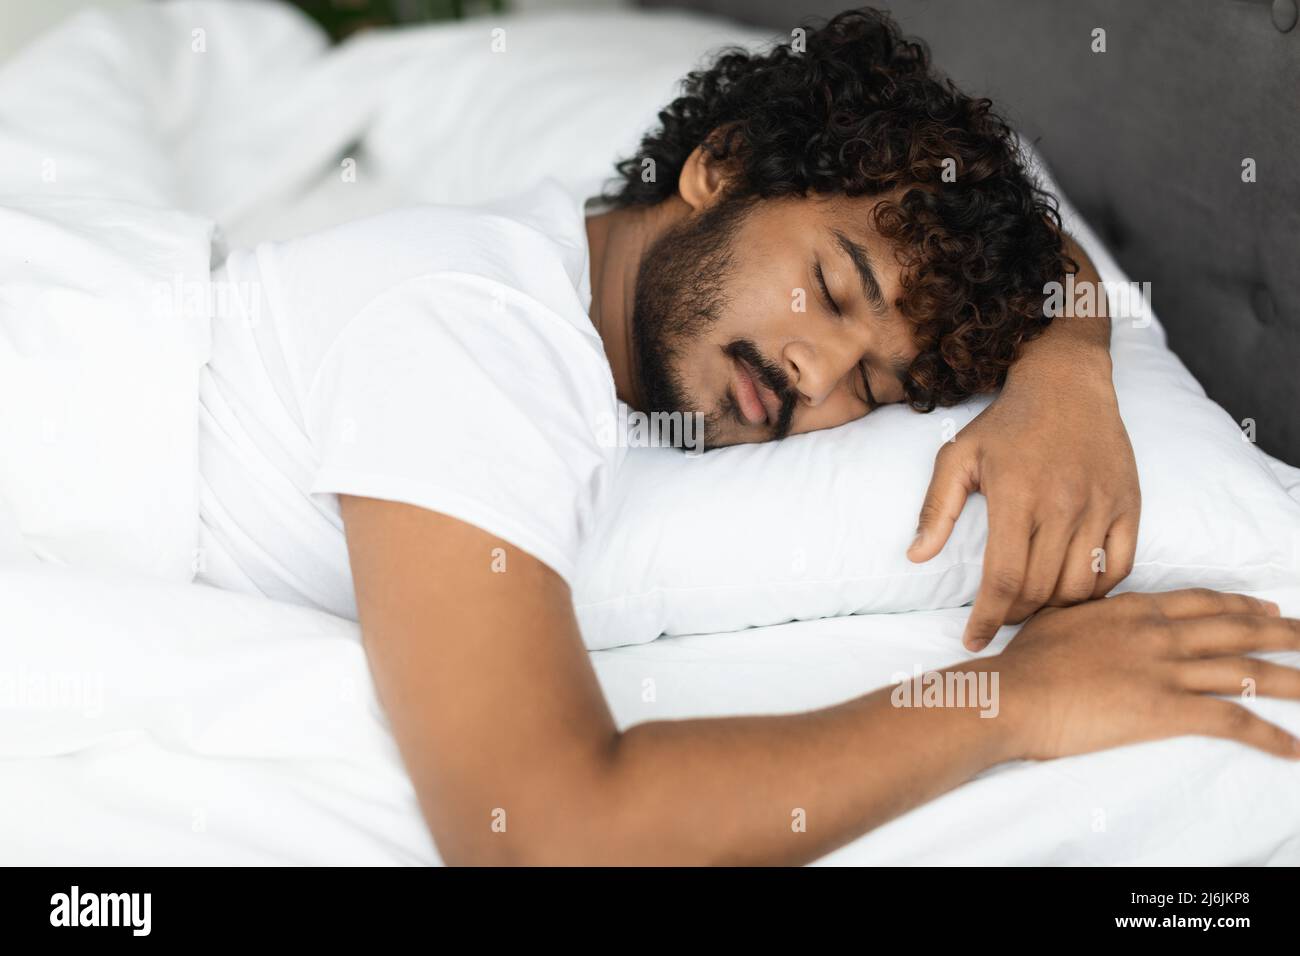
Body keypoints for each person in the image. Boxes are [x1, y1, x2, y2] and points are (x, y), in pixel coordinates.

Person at [194, 8, 1300, 864]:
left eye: (875, 382)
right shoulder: (477, 332)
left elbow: (1038, 243)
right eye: (829, 283)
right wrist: (1011, 700)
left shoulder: (586, 272)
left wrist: (1065, 373)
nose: (819, 372)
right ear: (717, 168)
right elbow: (544, 829)